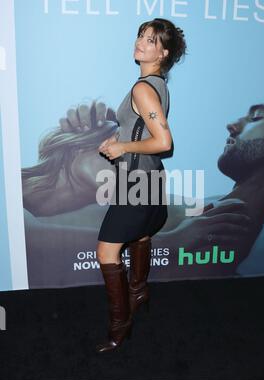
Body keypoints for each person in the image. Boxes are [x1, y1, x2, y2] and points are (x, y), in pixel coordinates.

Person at [95, 18, 187, 352]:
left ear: (163, 53)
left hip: (135, 182)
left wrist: (122, 147)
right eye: (140, 36)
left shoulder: (142, 88)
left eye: (150, 40)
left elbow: (164, 141)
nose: (141, 42)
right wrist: (120, 139)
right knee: (142, 234)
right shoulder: (158, 85)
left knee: (107, 250)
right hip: (149, 178)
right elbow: (145, 132)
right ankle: (139, 292)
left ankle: (120, 325)